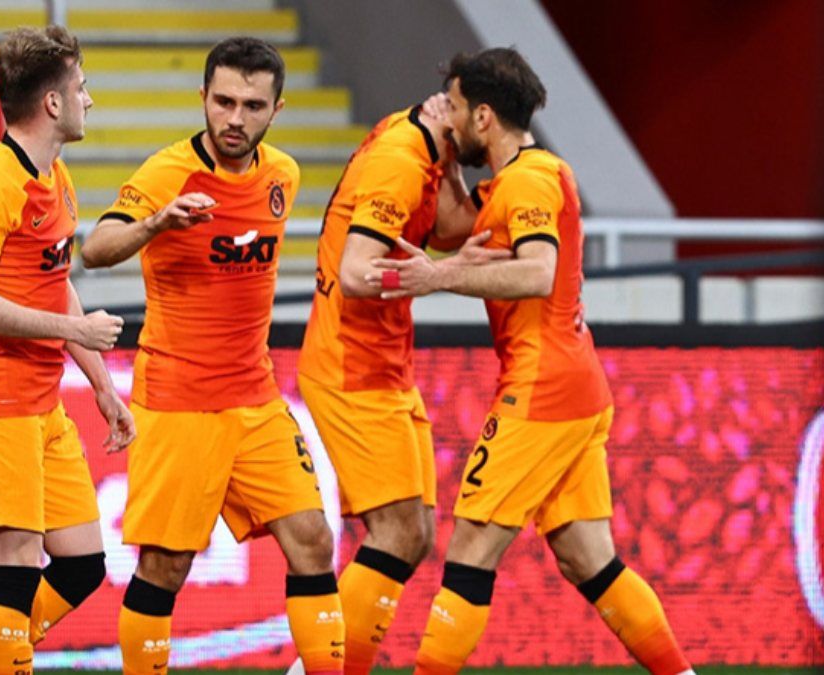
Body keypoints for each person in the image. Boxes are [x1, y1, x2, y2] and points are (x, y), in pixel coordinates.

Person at [364, 48, 695, 675]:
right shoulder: (529, 175)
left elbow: (538, 272)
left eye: (456, 108)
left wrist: (438, 277)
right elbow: (460, 230)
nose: (449, 119)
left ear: (484, 116)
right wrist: (446, 168)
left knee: (470, 547)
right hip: (575, 385)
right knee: (588, 559)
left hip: (542, 390)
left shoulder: (528, 182)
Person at [81, 37, 344, 675]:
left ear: (277, 110)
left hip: (256, 398)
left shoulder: (283, 175)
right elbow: (95, 247)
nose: (235, 118)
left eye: (252, 106)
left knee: (313, 541)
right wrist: (156, 225)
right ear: (202, 97)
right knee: (165, 566)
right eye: (223, 101)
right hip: (178, 402)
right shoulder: (168, 172)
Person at [0, 26, 133, 675]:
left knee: (82, 565)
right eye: (81, 88)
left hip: (41, 403)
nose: (88, 100)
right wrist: (76, 332)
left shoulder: (55, 175)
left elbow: (54, 283)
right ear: (52, 102)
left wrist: (101, 384)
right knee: (14, 568)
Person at [295, 99, 491, 674]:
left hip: (383, 364)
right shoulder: (400, 160)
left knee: (414, 534)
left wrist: (460, 172)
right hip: (350, 366)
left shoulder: (427, 148)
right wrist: (446, 275)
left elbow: (447, 229)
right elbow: (357, 272)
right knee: (398, 532)